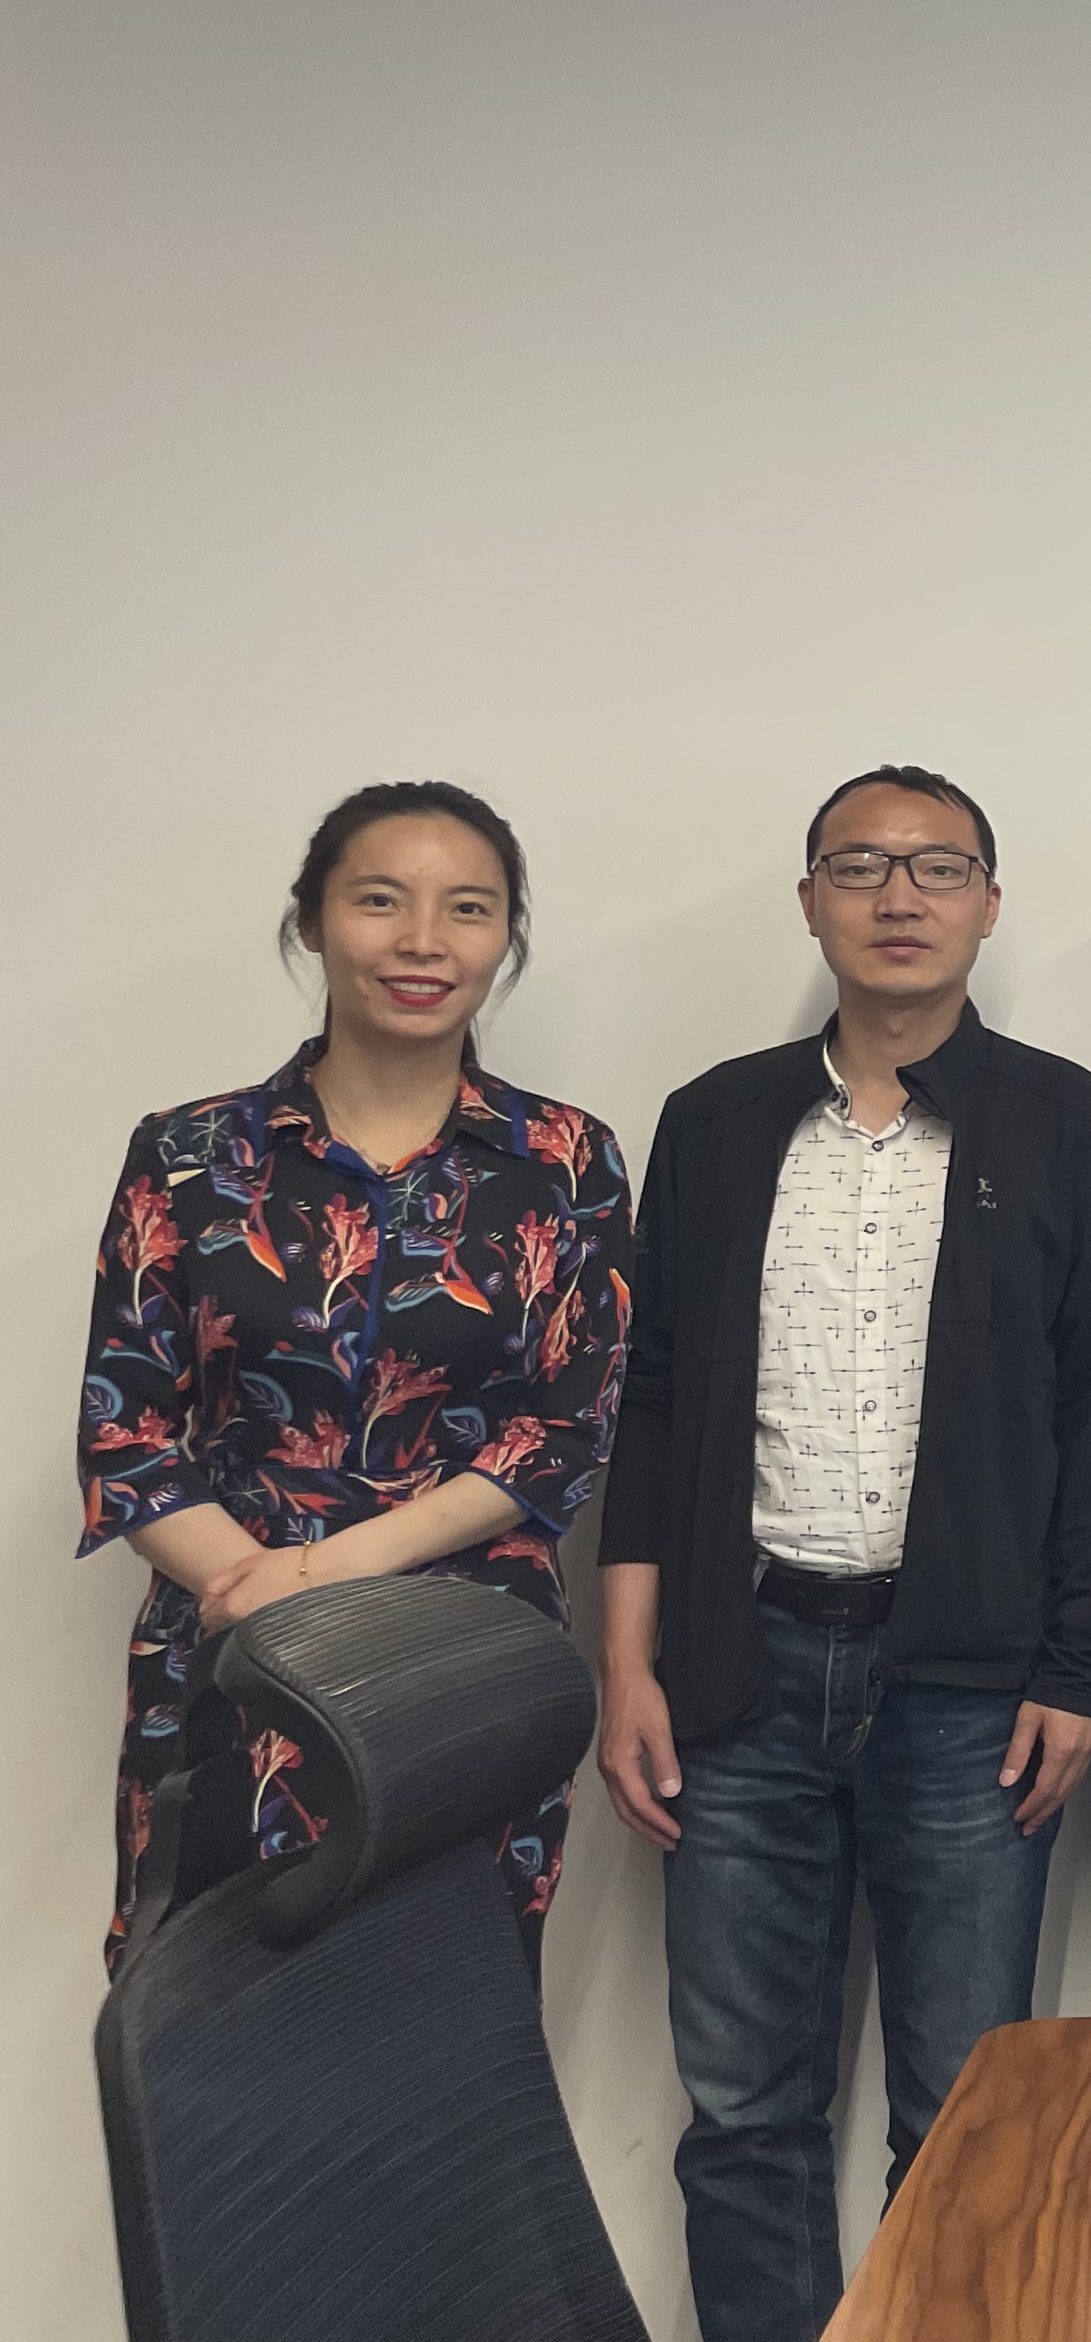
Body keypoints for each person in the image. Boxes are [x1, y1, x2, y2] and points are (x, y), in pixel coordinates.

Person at [590, 764, 1091, 2342]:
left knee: (964, 2105)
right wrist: (628, 1664)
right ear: (811, 899)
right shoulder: (715, 1118)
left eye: (937, 866)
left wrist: (1078, 1669)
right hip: (739, 1671)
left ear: (989, 902)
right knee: (743, 2104)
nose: (899, 896)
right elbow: (653, 1399)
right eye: (861, 864)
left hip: (968, 1689)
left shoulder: (1065, 1118)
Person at [76, 782, 632, 1973]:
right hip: (228, 1656)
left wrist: (320, 1577)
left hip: (467, 1657)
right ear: (313, 920)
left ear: (505, 938)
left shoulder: (566, 1159)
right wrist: (259, 1595)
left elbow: (564, 1428)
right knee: (208, 2016)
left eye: (468, 908)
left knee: (444, 2026)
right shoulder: (188, 1153)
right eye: (381, 900)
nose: (424, 941)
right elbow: (127, 1437)